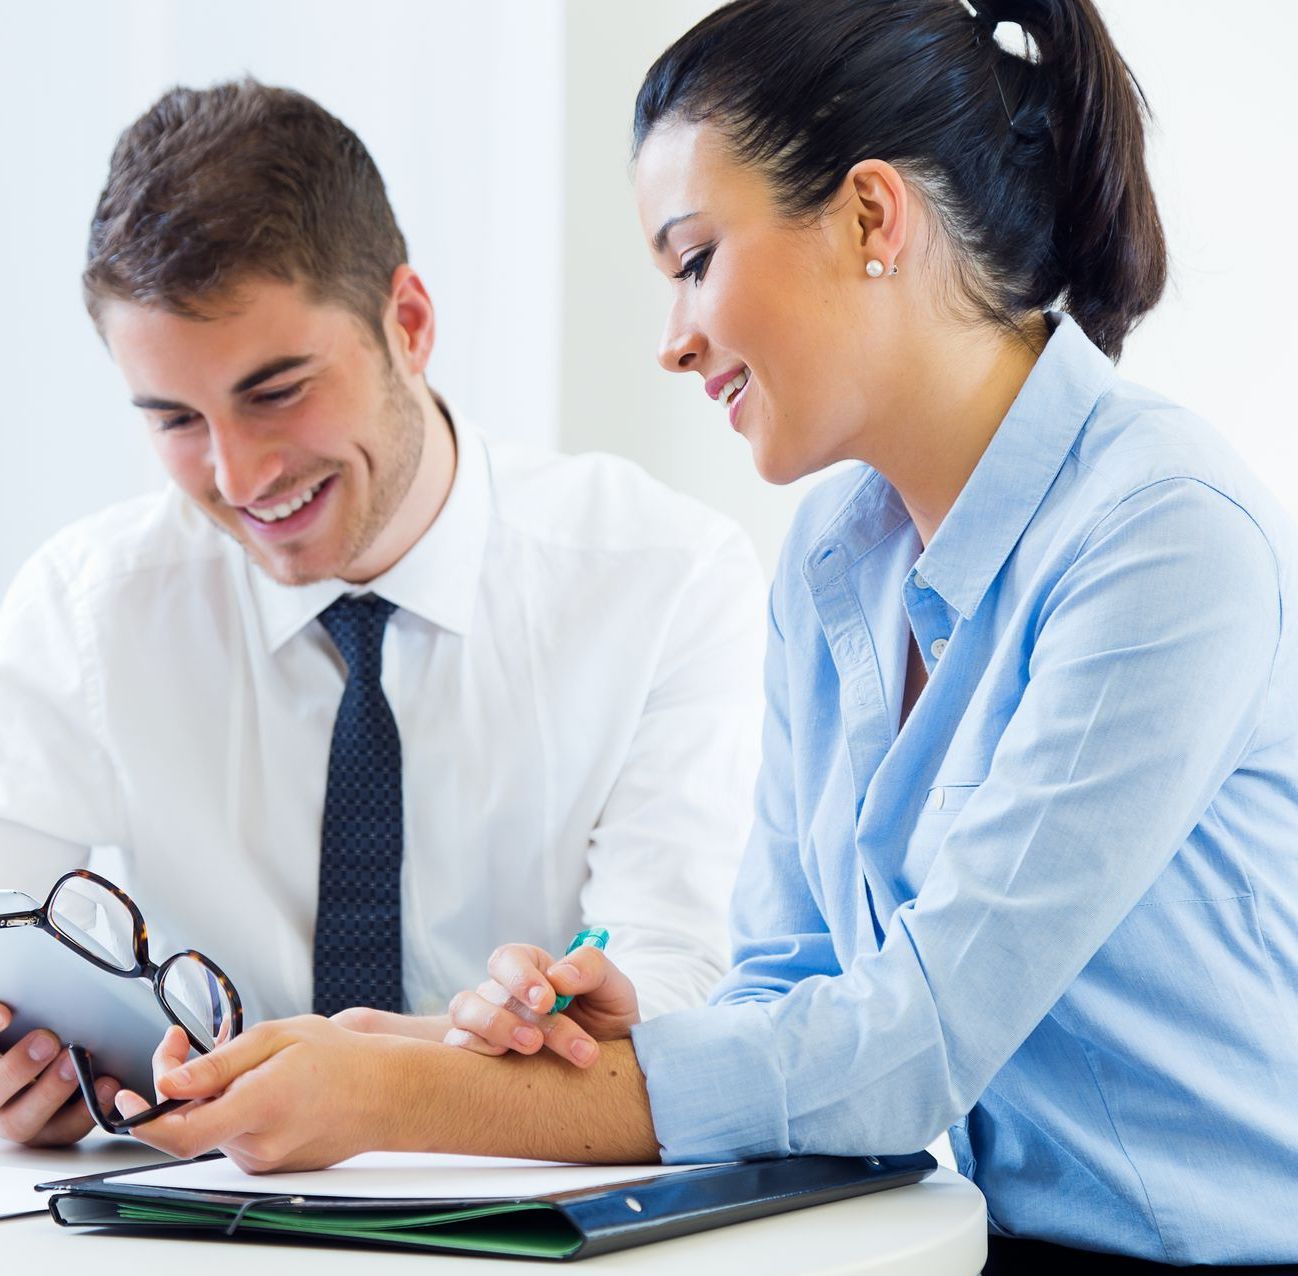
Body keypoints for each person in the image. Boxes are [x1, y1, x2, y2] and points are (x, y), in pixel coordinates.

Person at [118, 2, 1298, 1270]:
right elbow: (793, 989)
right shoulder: (837, 555)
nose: (672, 339)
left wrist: (393, 1101)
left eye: (692, 260)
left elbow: (911, 1046)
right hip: (966, 1243)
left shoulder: (1158, 535)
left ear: (867, 218)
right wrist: (534, 1045)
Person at [0, 80, 767, 1150]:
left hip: (544, 1221)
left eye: (276, 391)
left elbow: (688, 994)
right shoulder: (88, 609)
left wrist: (404, 1078)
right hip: (200, 1223)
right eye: (176, 418)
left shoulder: (665, 579)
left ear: (407, 322)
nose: (238, 474)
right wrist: (25, 1077)